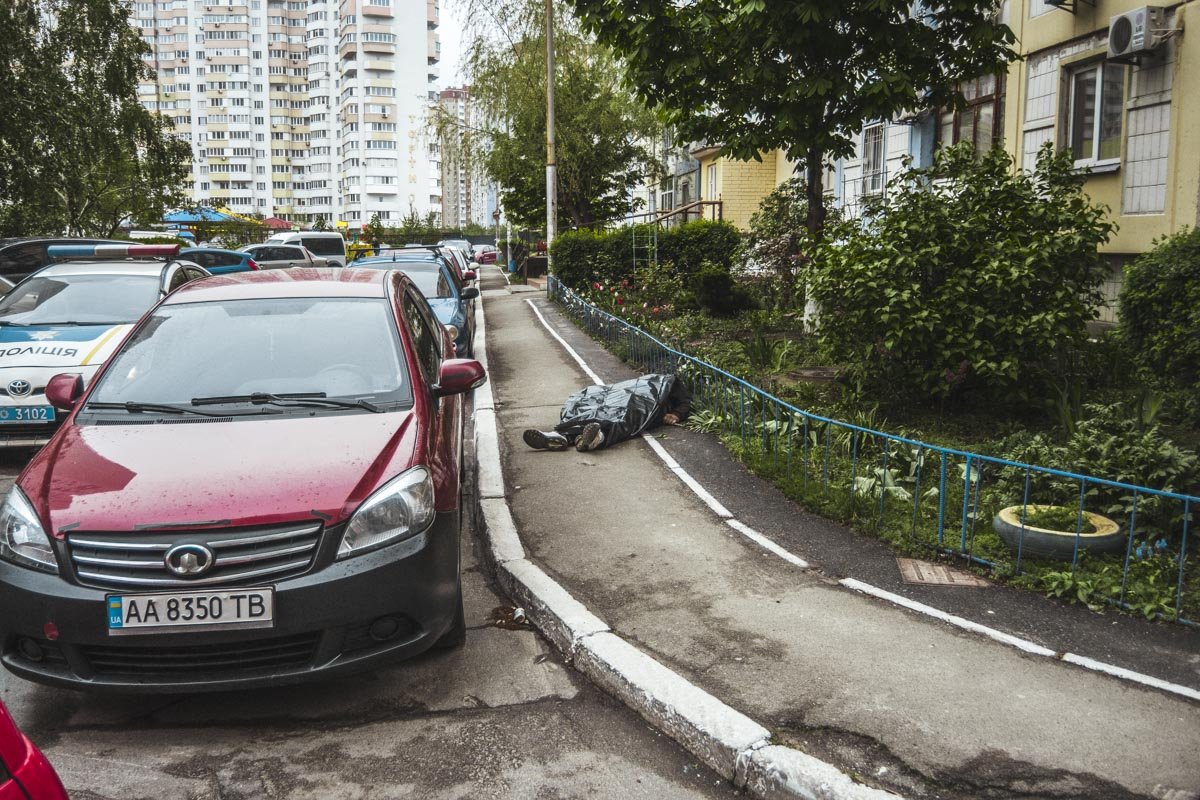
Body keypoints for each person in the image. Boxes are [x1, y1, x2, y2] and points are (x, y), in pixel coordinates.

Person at [523, 373, 692, 452]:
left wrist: (676, 414)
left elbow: (685, 403)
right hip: (626, 396)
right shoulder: (660, 380)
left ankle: (587, 437)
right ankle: (568, 436)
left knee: (624, 419)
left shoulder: (672, 384)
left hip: (643, 407)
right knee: (593, 406)